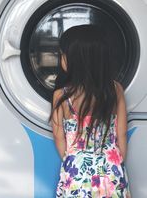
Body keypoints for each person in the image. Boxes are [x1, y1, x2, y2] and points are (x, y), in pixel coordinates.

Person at [50, 25, 130, 197]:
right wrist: (116, 161)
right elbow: (121, 134)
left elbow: (58, 137)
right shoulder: (115, 89)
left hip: (77, 169)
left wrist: (71, 157)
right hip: (110, 168)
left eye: (63, 54)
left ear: (74, 60)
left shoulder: (61, 95)